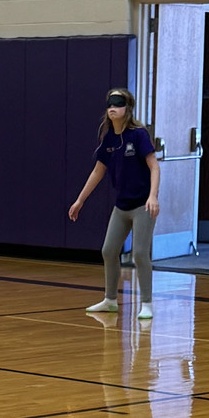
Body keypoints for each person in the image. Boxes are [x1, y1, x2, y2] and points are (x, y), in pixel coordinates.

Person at [68, 88, 160, 320]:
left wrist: (153, 196)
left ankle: (147, 303)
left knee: (139, 253)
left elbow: (154, 166)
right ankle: (110, 300)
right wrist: (80, 200)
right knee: (109, 250)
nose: (112, 107)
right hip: (122, 206)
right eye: (110, 103)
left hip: (142, 205)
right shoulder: (109, 138)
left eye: (118, 103)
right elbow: (98, 171)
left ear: (127, 108)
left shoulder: (138, 135)